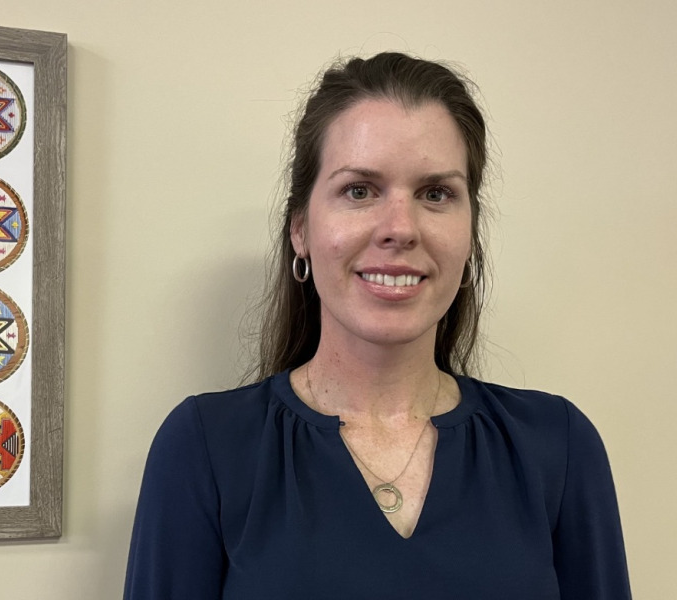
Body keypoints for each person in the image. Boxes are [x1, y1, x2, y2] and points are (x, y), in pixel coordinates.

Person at [124, 52, 631, 599]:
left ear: (470, 234)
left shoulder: (558, 445)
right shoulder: (206, 448)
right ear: (301, 230)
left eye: (436, 194)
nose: (400, 229)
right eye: (360, 190)